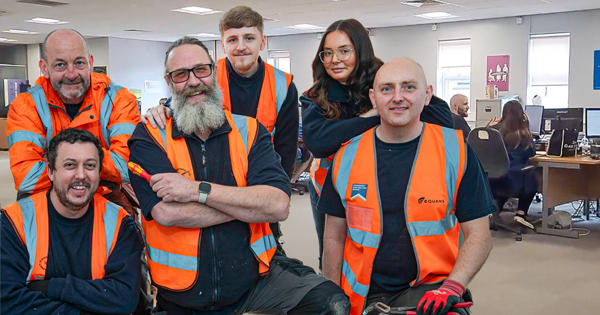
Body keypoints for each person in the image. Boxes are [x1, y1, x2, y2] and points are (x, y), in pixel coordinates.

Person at [128, 37, 349, 314]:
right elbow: (167, 213)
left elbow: (278, 205)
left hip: (255, 280)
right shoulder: (149, 136)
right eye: (181, 74)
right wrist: (248, 206)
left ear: (214, 72)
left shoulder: (250, 131)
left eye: (201, 70)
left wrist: (197, 190)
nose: (194, 81)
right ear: (169, 81)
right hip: (183, 297)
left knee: (331, 303)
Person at [320, 57, 495, 315]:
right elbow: (334, 237)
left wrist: (453, 287)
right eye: (387, 88)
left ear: (427, 95)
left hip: (432, 290)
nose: (397, 97)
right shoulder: (345, 157)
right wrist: (332, 298)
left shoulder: (455, 152)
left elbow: (479, 234)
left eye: (409, 87)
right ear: (373, 98)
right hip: (362, 295)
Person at [300, 19, 454, 269]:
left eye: (344, 50)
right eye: (327, 53)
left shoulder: (385, 80)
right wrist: (374, 116)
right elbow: (318, 141)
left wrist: (380, 109)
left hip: (385, 179)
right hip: (331, 185)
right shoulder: (316, 95)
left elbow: (440, 115)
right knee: (332, 252)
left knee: (385, 249)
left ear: (361, 51)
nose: (334, 59)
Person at [143, 5, 298, 243]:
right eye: (232, 39)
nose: (241, 46)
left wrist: (273, 195)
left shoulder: (282, 85)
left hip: (260, 182)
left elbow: (286, 150)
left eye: (249, 38)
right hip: (214, 182)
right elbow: (185, 104)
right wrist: (162, 109)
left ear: (262, 42)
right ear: (223, 44)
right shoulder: (207, 75)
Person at [1, 128, 142, 314]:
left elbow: (124, 298)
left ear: (99, 173)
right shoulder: (15, 221)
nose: (81, 175)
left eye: (90, 166)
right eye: (70, 165)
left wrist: (51, 288)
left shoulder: (120, 223)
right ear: (51, 172)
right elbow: (7, 301)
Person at [7, 29, 140, 206]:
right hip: (50, 200)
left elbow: (125, 167)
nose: (71, 74)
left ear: (90, 63)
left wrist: (59, 165)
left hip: (105, 199)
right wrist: (98, 168)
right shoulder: (26, 105)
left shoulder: (119, 99)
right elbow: (27, 177)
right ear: (44, 68)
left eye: (79, 63)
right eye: (60, 65)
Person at [490, 100, 537, 219]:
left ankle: (495, 210)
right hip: (513, 181)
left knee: (504, 178)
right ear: (522, 115)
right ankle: (521, 213)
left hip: (491, 180)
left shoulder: (493, 131)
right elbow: (531, 152)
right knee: (531, 174)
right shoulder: (524, 133)